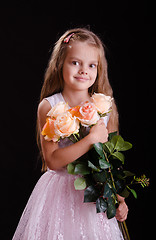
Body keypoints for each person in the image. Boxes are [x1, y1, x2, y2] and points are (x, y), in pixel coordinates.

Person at [13, 28, 128, 240]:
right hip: (58, 195)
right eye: (75, 62)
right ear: (60, 64)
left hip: (93, 195)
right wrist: (90, 139)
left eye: (91, 65)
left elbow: (109, 162)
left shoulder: (104, 107)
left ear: (98, 69)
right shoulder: (50, 107)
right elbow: (53, 161)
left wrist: (120, 200)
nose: (83, 70)